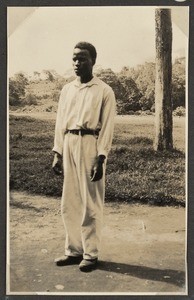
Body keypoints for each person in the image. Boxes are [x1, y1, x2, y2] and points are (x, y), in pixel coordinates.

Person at [52, 41, 116, 272]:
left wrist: (101, 157)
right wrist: (57, 152)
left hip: (90, 144)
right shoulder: (67, 89)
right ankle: (73, 250)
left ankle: (91, 253)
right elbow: (60, 122)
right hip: (69, 142)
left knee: (91, 202)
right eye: (75, 58)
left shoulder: (104, 90)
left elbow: (107, 126)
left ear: (93, 61)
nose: (77, 63)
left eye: (83, 58)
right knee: (69, 202)